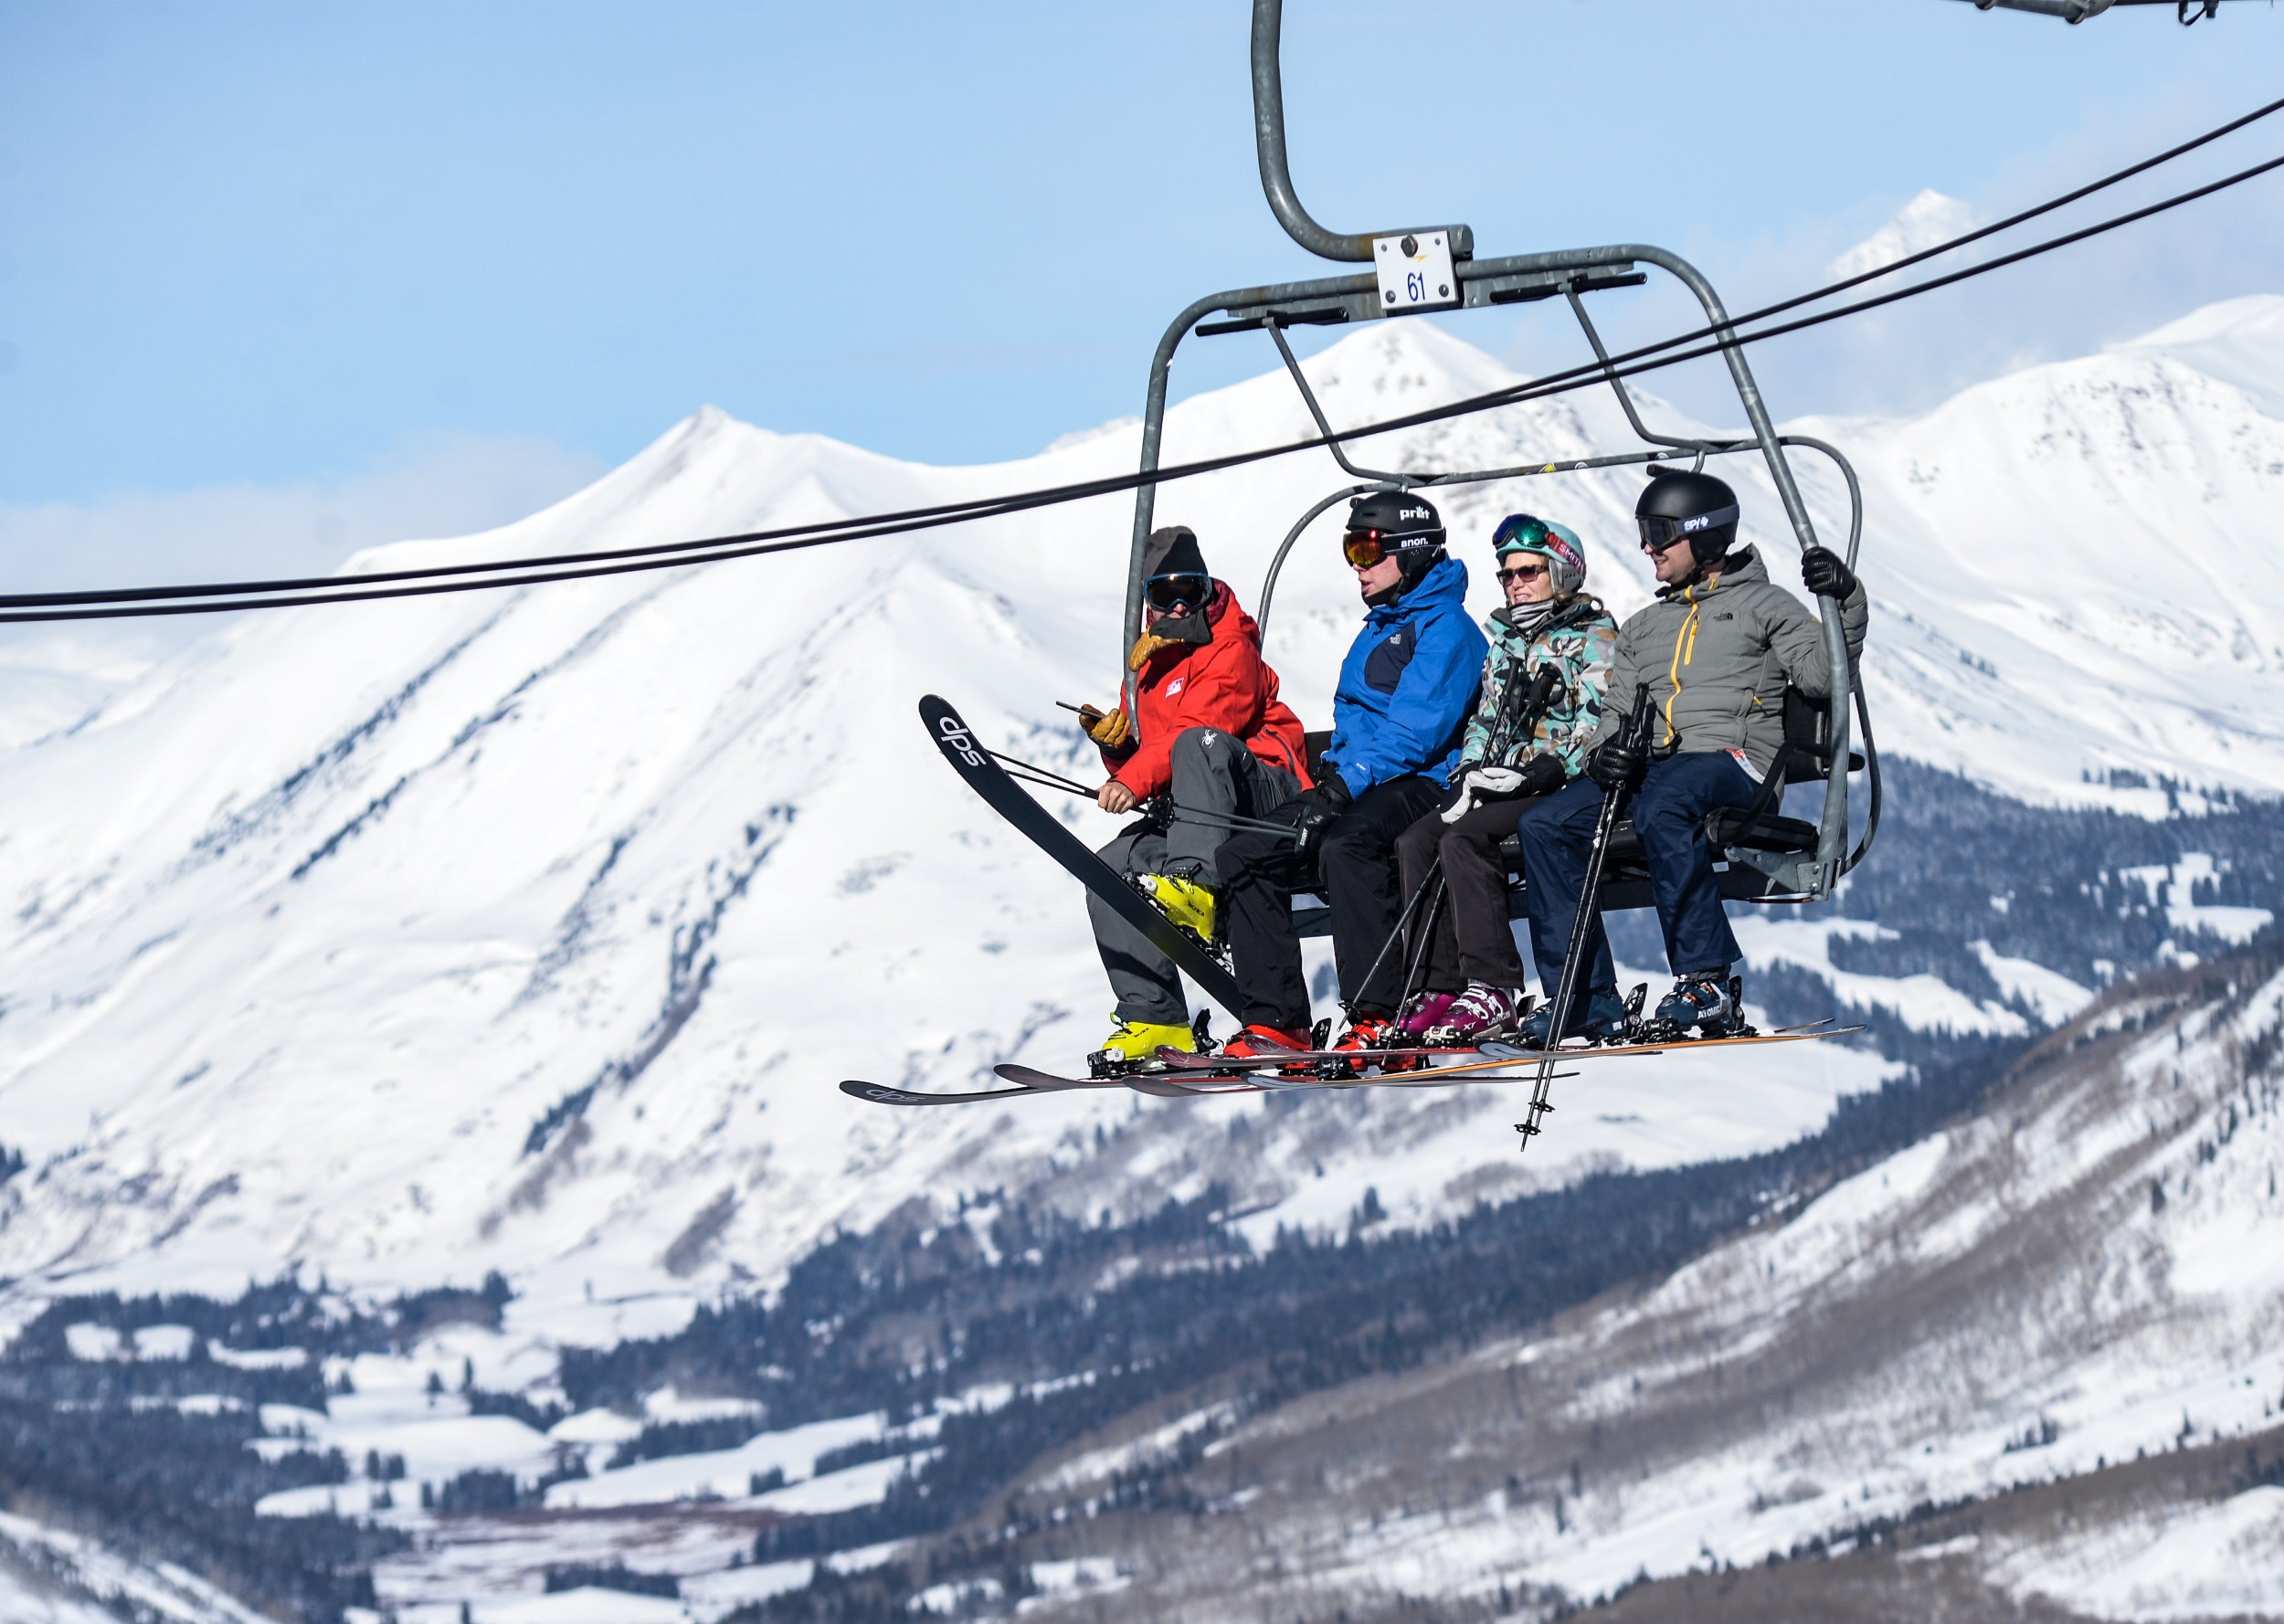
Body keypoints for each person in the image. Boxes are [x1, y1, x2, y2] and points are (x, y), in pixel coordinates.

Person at [1511, 469, 1868, 1043]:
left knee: (1664, 809)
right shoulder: (1643, 626)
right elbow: (1615, 714)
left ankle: (1706, 981)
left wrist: (1844, 600)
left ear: (1702, 538)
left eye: (1659, 533)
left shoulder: (1765, 606)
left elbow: (1825, 676)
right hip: (1657, 769)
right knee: (1545, 824)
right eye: (1644, 533)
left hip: (1734, 762)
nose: (1647, 547)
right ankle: (1583, 995)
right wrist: (1605, 757)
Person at [1211, 492, 1488, 1060]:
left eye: (1365, 550)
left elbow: (1418, 731)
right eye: (1350, 550)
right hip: (1362, 781)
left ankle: (1378, 1014)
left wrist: (1341, 788)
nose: (1356, 565)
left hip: (1425, 781)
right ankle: (1276, 1023)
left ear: (1409, 553)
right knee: (1245, 853)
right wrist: (1334, 783)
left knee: (1346, 845)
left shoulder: (1447, 630)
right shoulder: (1381, 625)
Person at [1076, 524, 1311, 1062]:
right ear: (1148, 604)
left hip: (1265, 801)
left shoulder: (1232, 648)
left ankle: (1197, 889)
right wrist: (1119, 751)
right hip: (1197, 814)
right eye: (1166, 594)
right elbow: (1154, 758)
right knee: (1108, 871)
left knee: (1198, 743)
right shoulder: (1146, 668)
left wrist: (1130, 778)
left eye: (1193, 591)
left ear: (1209, 591)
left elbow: (1202, 732)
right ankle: (1155, 1019)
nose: (1181, 605)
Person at [1390, 514, 1616, 1044]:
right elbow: (1486, 719)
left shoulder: (1593, 637)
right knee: (1417, 839)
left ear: (1562, 572)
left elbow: (1600, 718)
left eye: (1529, 572)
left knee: (1465, 838)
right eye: (1507, 575)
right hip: (1500, 777)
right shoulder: (1506, 643)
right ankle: (1436, 986)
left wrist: (1549, 767)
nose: (1515, 583)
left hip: (1554, 783)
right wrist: (1471, 766)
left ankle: (1492, 986)